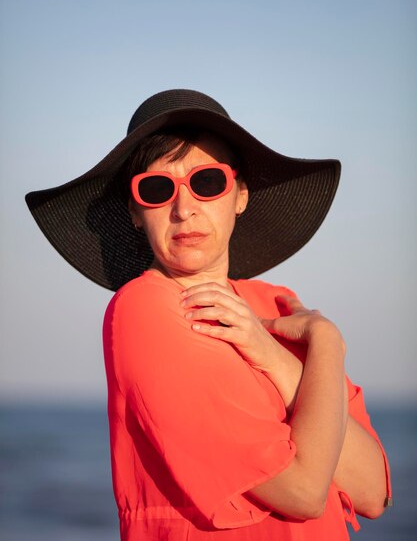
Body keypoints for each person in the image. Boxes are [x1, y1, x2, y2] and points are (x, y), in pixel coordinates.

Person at [26, 89, 392, 540]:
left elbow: (372, 492)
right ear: (136, 213)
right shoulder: (146, 309)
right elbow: (303, 492)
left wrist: (275, 353)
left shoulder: (277, 304)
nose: (184, 208)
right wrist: (327, 345)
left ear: (239, 195)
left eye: (207, 182)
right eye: (157, 189)